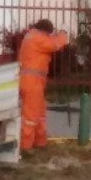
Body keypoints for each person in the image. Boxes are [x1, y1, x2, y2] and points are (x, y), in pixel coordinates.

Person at [17, 19, 70, 151]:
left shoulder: (32, 36)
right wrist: (63, 33)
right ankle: (25, 146)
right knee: (30, 116)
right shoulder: (38, 39)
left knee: (39, 113)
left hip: (30, 80)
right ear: (45, 32)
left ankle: (40, 141)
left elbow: (49, 41)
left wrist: (57, 34)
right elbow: (55, 45)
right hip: (32, 82)